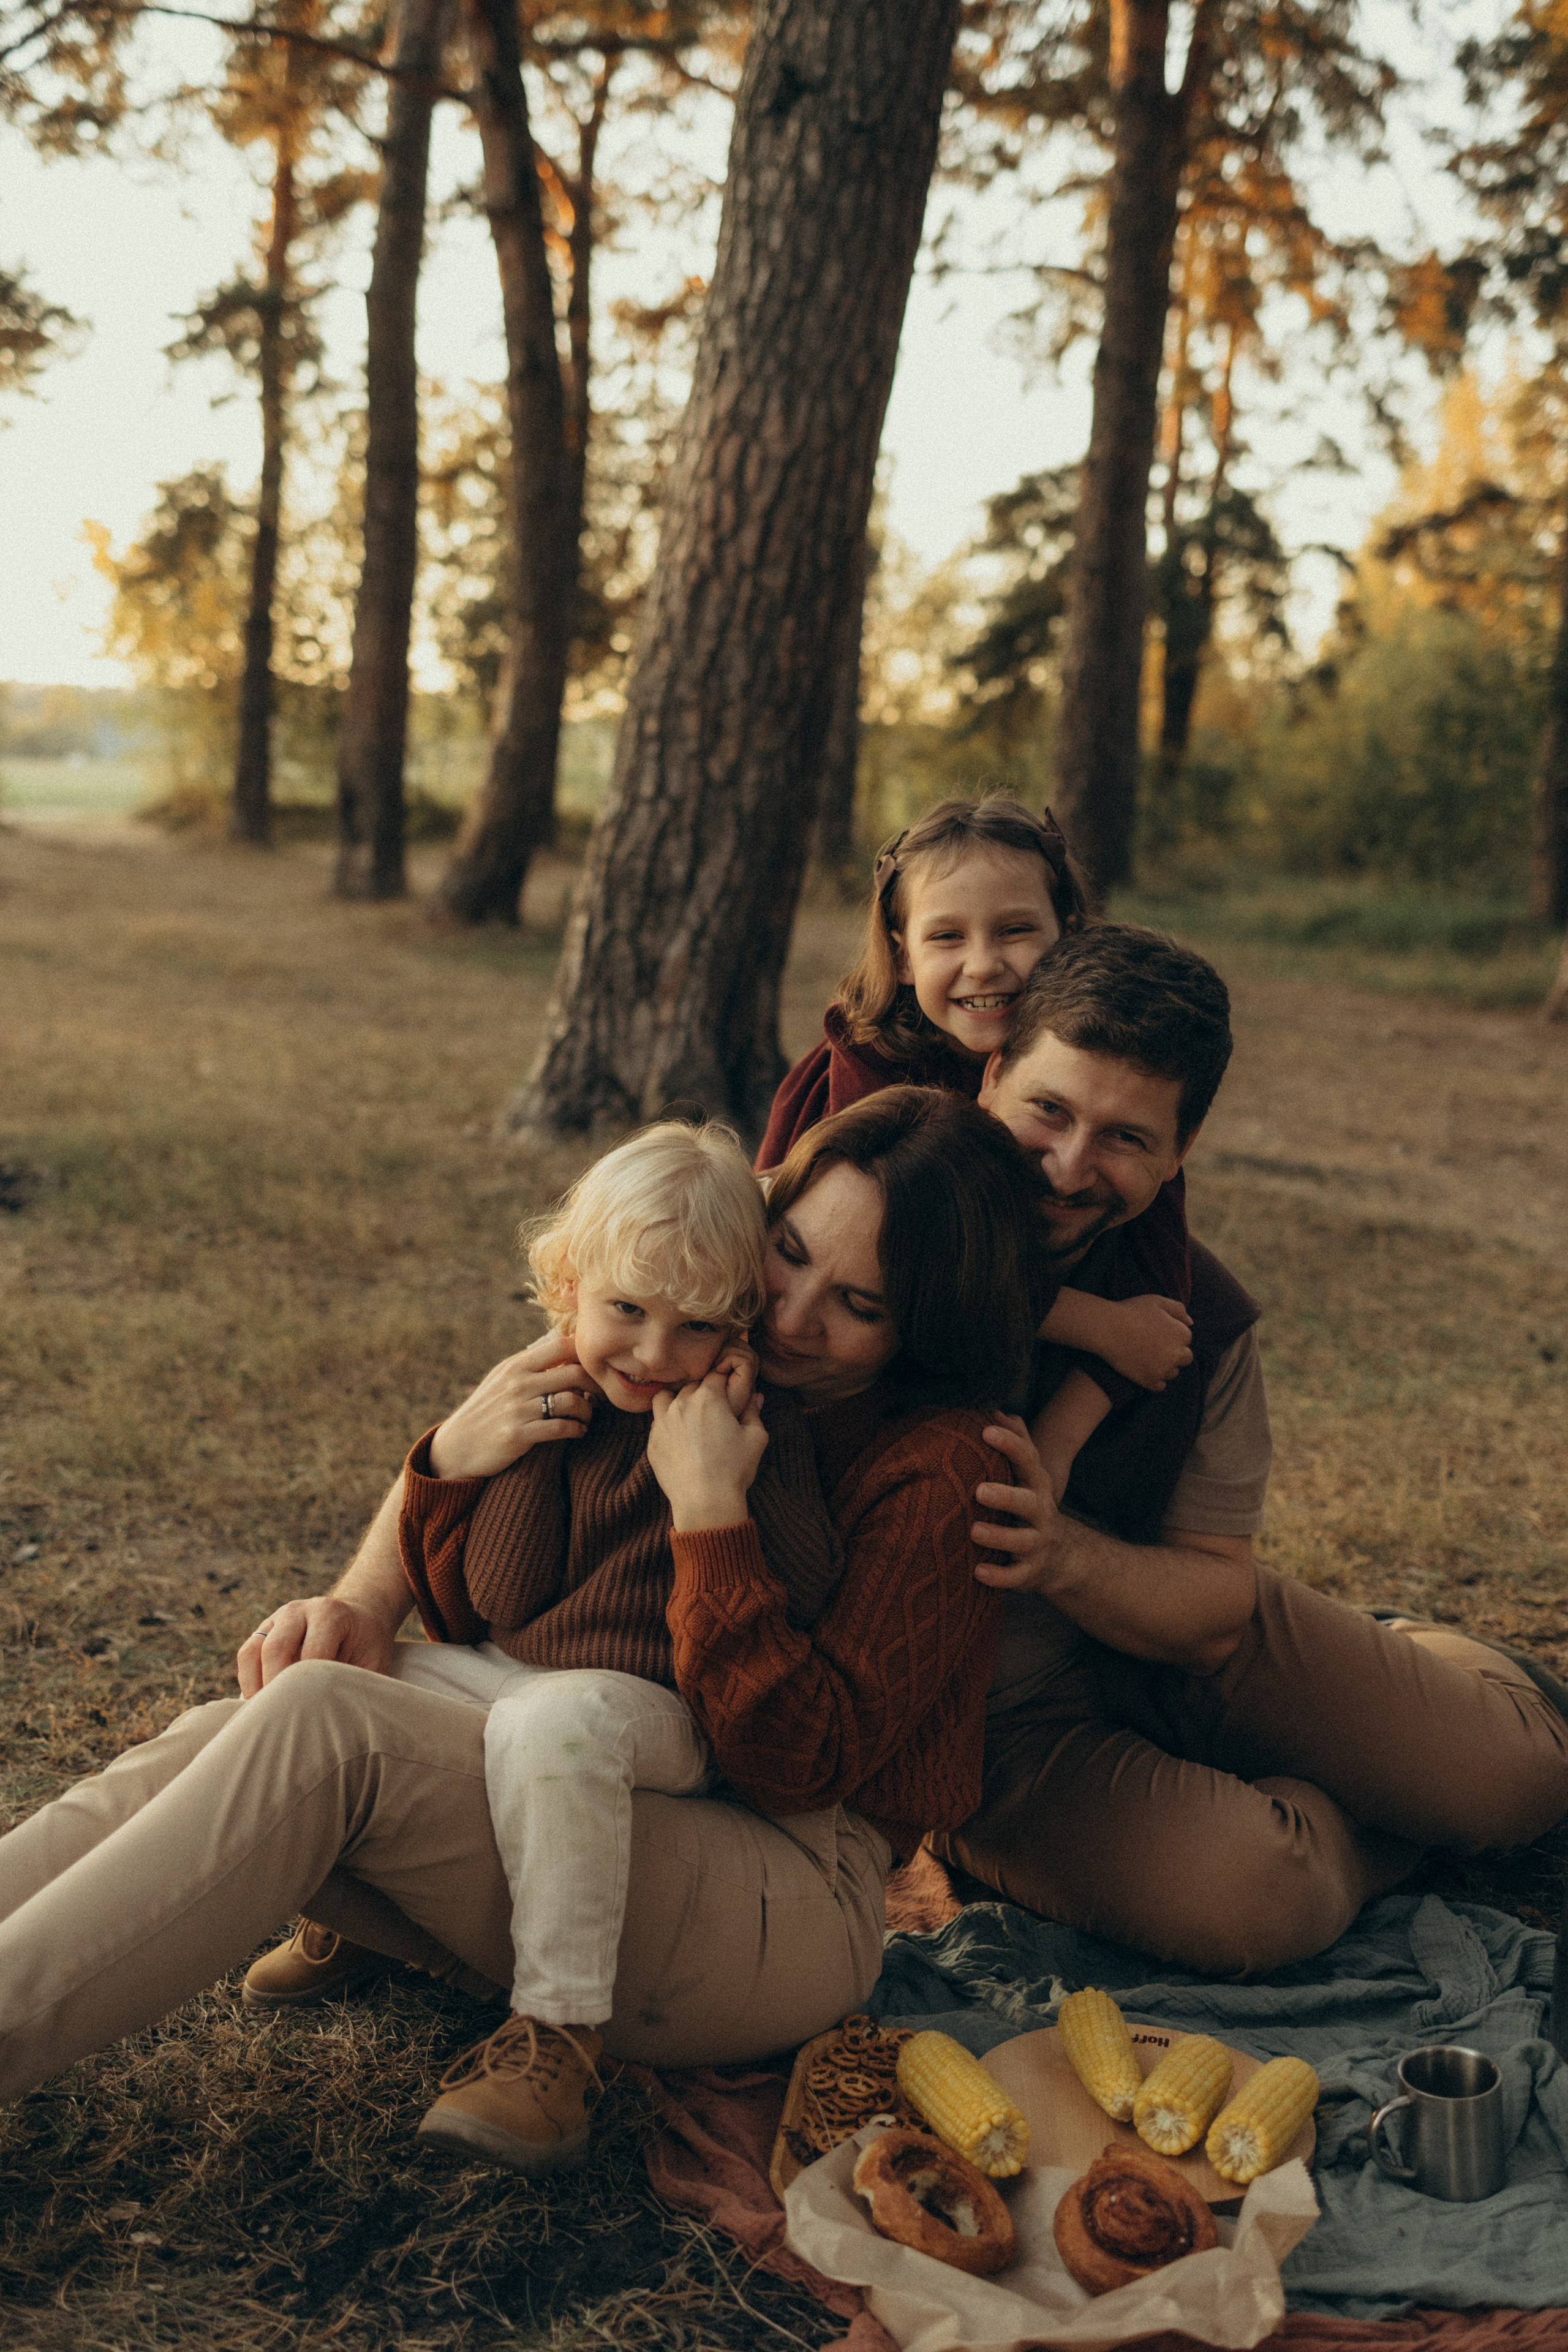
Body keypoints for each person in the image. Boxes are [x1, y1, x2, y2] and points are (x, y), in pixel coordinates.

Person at [0, 1088, 1055, 2149]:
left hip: (791, 1882)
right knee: (229, 1729)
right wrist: (448, 1464)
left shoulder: (941, 1466)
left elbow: (794, 1766)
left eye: (860, 1305)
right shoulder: (685, 1332)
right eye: (789, 1254)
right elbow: (492, 1600)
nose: (791, 1316)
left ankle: (550, 2035)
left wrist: (711, 1514)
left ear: (929, 1324)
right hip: (610, 1778)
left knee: (335, 1729)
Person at [931, 923, 1568, 1975]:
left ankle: (1438, 1668)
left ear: (1179, 1154)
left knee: (1523, 1783)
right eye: (1049, 1109)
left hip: (1163, 1631)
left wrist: (1060, 1554)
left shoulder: (1196, 1315)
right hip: (995, 1720)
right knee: (1260, 1901)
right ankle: (1354, 1816)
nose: (1070, 1166)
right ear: (991, 1077)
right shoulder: (878, 1233)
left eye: (1126, 1138)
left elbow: (1216, 1603)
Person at [377, 1118, 844, 2171]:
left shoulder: (753, 1426)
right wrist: (528, 1450)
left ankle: (560, 2030)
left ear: (740, 1327)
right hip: (517, 1675)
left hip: (662, 1711)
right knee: (347, 1678)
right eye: (626, 1310)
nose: (654, 1354)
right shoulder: (556, 1403)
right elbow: (500, 1597)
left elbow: (807, 1589)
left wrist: (723, 1484)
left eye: (697, 1325)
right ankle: (359, 1914)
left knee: (562, 1720)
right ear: (568, 1288)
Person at [756, 794, 1196, 1497]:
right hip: (825, 1349)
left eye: (1015, 930)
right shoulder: (876, 1074)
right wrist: (1095, 1324)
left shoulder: (1110, 1086)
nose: (984, 964)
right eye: (947, 937)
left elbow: (1157, 1311)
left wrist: (1055, 1450)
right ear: (901, 956)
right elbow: (912, 1256)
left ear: (1068, 936)